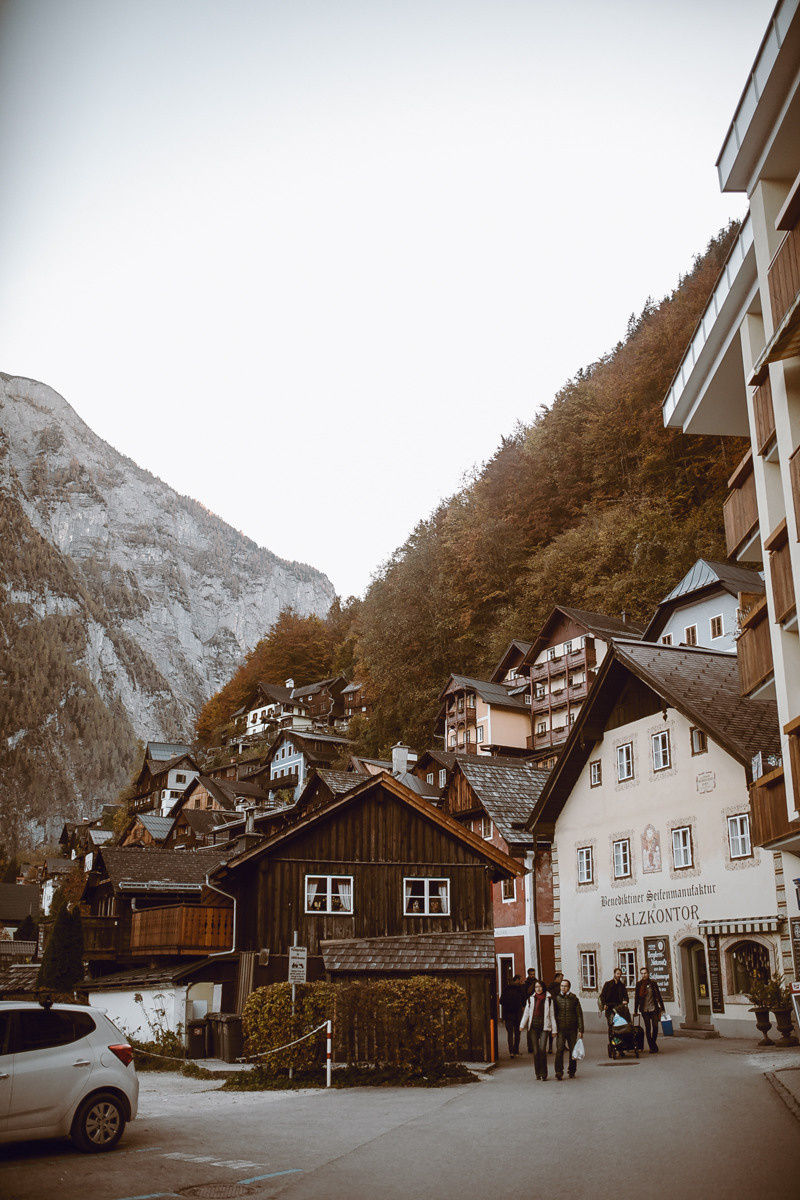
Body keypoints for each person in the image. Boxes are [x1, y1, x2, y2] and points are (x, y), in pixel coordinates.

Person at [520, 979, 555, 1080]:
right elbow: (526, 1013)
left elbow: (552, 1015)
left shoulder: (548, 999)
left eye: (540, 987)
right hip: (534, 1027)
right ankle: (538, 1073)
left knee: (542, 1049)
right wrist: (522, 1025)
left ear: (543, 987)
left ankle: (544, 1073)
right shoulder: (531, 999)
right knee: (536, 1051)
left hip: (544, 1026)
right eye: (536, 987)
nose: (538, 989)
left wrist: (554, 1030)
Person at [552, 977, 584, 1080]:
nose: (563, 988)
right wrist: (554, 1028)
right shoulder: (557, 999)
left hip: (572, 1028)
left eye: (565, 986)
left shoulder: (574, 998)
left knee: (572, 1051)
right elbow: (554, 1014)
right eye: (562, 986)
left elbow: (579, 1014)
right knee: (560, 1049)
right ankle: (558, 1071)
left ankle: (572, 1070)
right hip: (561, 1028)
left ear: (569, 987)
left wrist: (581, 1029)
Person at [633, 966, 665, 1052]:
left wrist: (662, 1007)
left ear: (648, 974)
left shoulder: (653, 984)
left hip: (653, 1008)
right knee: (648, 1028)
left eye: (645, 973)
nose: (644, 975)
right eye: (642, 973)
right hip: (644, 1009)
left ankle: (653, 1043)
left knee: (655, 1026)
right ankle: (651, 1047)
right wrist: (635, 1010)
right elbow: (637, 998)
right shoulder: (639, 984)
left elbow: (658, 996)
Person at [499, 973, 526, 1058]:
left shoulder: (506, 989)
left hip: (508, 1014)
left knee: (509, 1034)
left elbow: (501, 1001)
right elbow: (524, 1001)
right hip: (517, 1014)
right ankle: (516, 1050)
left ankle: (511, 1052)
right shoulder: (520, 989)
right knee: (517, 1033)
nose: (522, 982)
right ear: (517, 980)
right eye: (521, 980)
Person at [523, 968, 539, 1053]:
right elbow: (526, 994)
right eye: (531, 974)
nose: (533, 975)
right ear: (528, 974)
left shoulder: (537, 982)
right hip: (529, 1006)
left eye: (534, 974)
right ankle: (530, 1046)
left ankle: (536, 1044)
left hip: (537, 1006)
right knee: (530, 1027)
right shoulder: (526, 984)